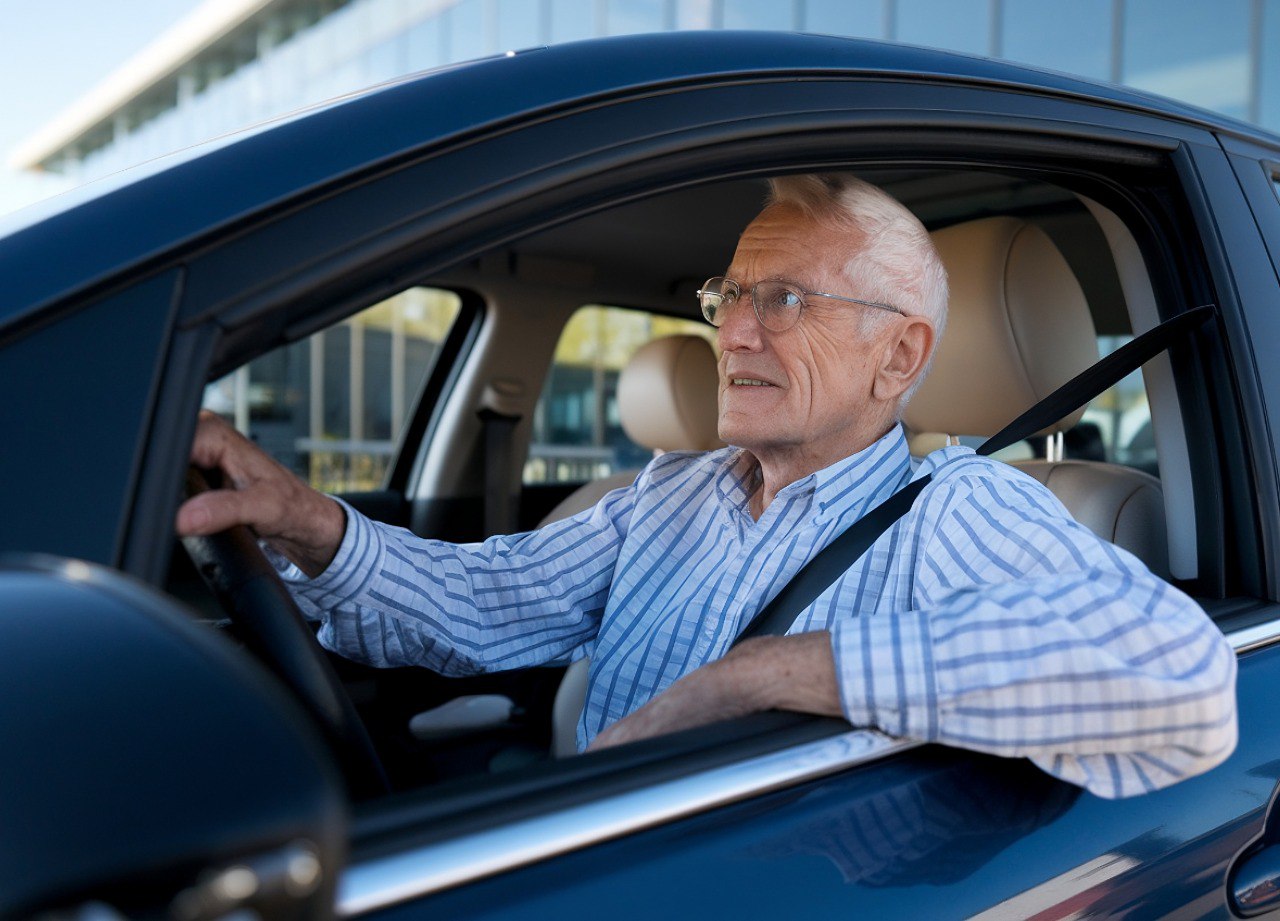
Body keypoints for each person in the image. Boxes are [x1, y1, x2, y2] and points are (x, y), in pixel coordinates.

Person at [178, 174, 1237, 799]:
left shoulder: (957, 507)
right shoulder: (667, 493)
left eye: (781, 297)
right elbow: (483, 605)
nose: (730, 328)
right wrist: (309, 524)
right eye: (729, 293)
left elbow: (1181, 674)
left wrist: (761, 675)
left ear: (897, 359)